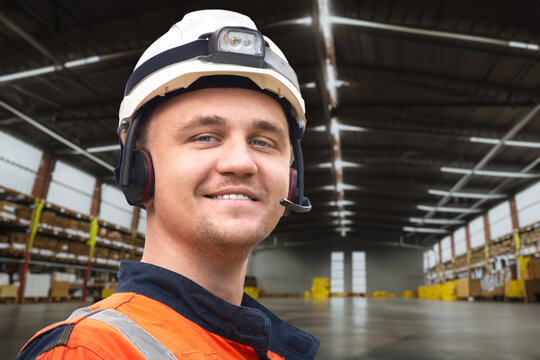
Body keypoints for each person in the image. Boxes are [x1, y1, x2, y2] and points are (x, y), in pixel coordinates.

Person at [17, 9, 319, 360]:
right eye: (205, 136)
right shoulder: (90, 351)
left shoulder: (269, 351)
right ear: (138, 169)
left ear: (291, 178)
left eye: (263, 142)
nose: (240, 162)